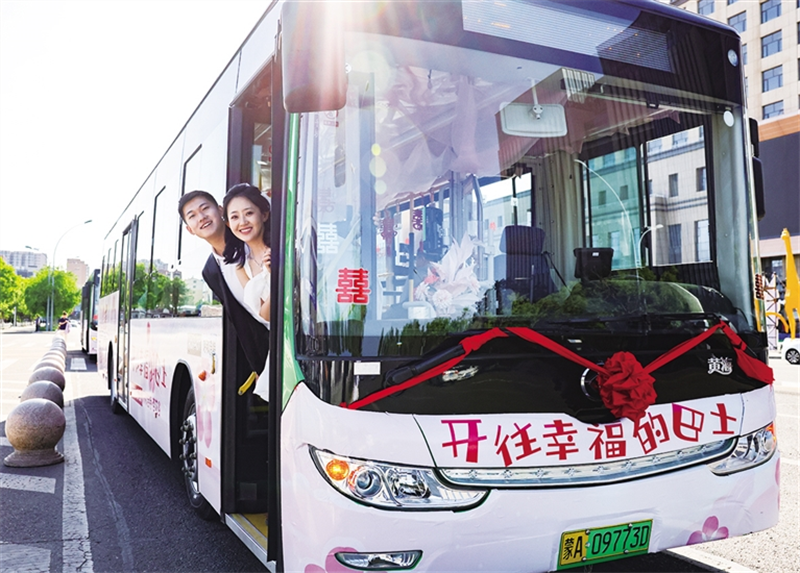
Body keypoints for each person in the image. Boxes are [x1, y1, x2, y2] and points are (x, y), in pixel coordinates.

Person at [178, 190, 269, 383]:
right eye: (192, 216)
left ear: (220, 211)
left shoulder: (252, 240)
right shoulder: (210, 271)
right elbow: (243, 319)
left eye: (205, 208)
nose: (201, 217)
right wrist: (258, 364)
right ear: (190, 229)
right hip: (273, 348)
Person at [221, 183, 272, 325]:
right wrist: (275, 278)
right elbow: (266, 316)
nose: (243, 222)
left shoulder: (283, 249)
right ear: (228, 224)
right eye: (234, 217)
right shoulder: (241, 268)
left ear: (264, 215)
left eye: (249, 213)